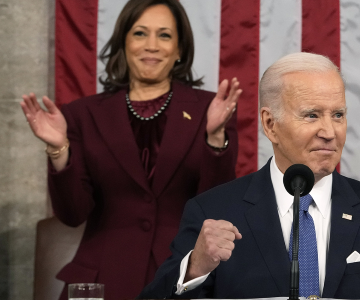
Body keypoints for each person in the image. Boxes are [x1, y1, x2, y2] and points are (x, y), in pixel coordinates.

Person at [138, 52, 360, 299]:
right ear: (270, 124)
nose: (329, 131)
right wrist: (195, 267)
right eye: (311, 115)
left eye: (338, 115)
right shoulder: (214, 212)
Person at [20, 1, 241, 299]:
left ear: (179, 49)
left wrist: (215, 138)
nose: (151, 45)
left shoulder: (210, 110)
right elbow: (72, 214)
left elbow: (216, 208)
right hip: (103, 279)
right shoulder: (81, 115)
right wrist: (59, 149)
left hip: (182, 276)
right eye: (140, 33)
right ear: (124, 43)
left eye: (164, 35)